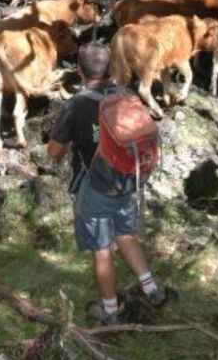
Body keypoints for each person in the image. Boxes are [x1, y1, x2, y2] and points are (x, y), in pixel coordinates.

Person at [47, 42, 167, 325]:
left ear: (78, 70)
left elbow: (54, 152)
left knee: (102, 248)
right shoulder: (126, 95)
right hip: (129, 179)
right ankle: (152, 288)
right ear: (112, 67)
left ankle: (110, 310)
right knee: (126, 234)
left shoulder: (75, 105)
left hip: (94, 187)